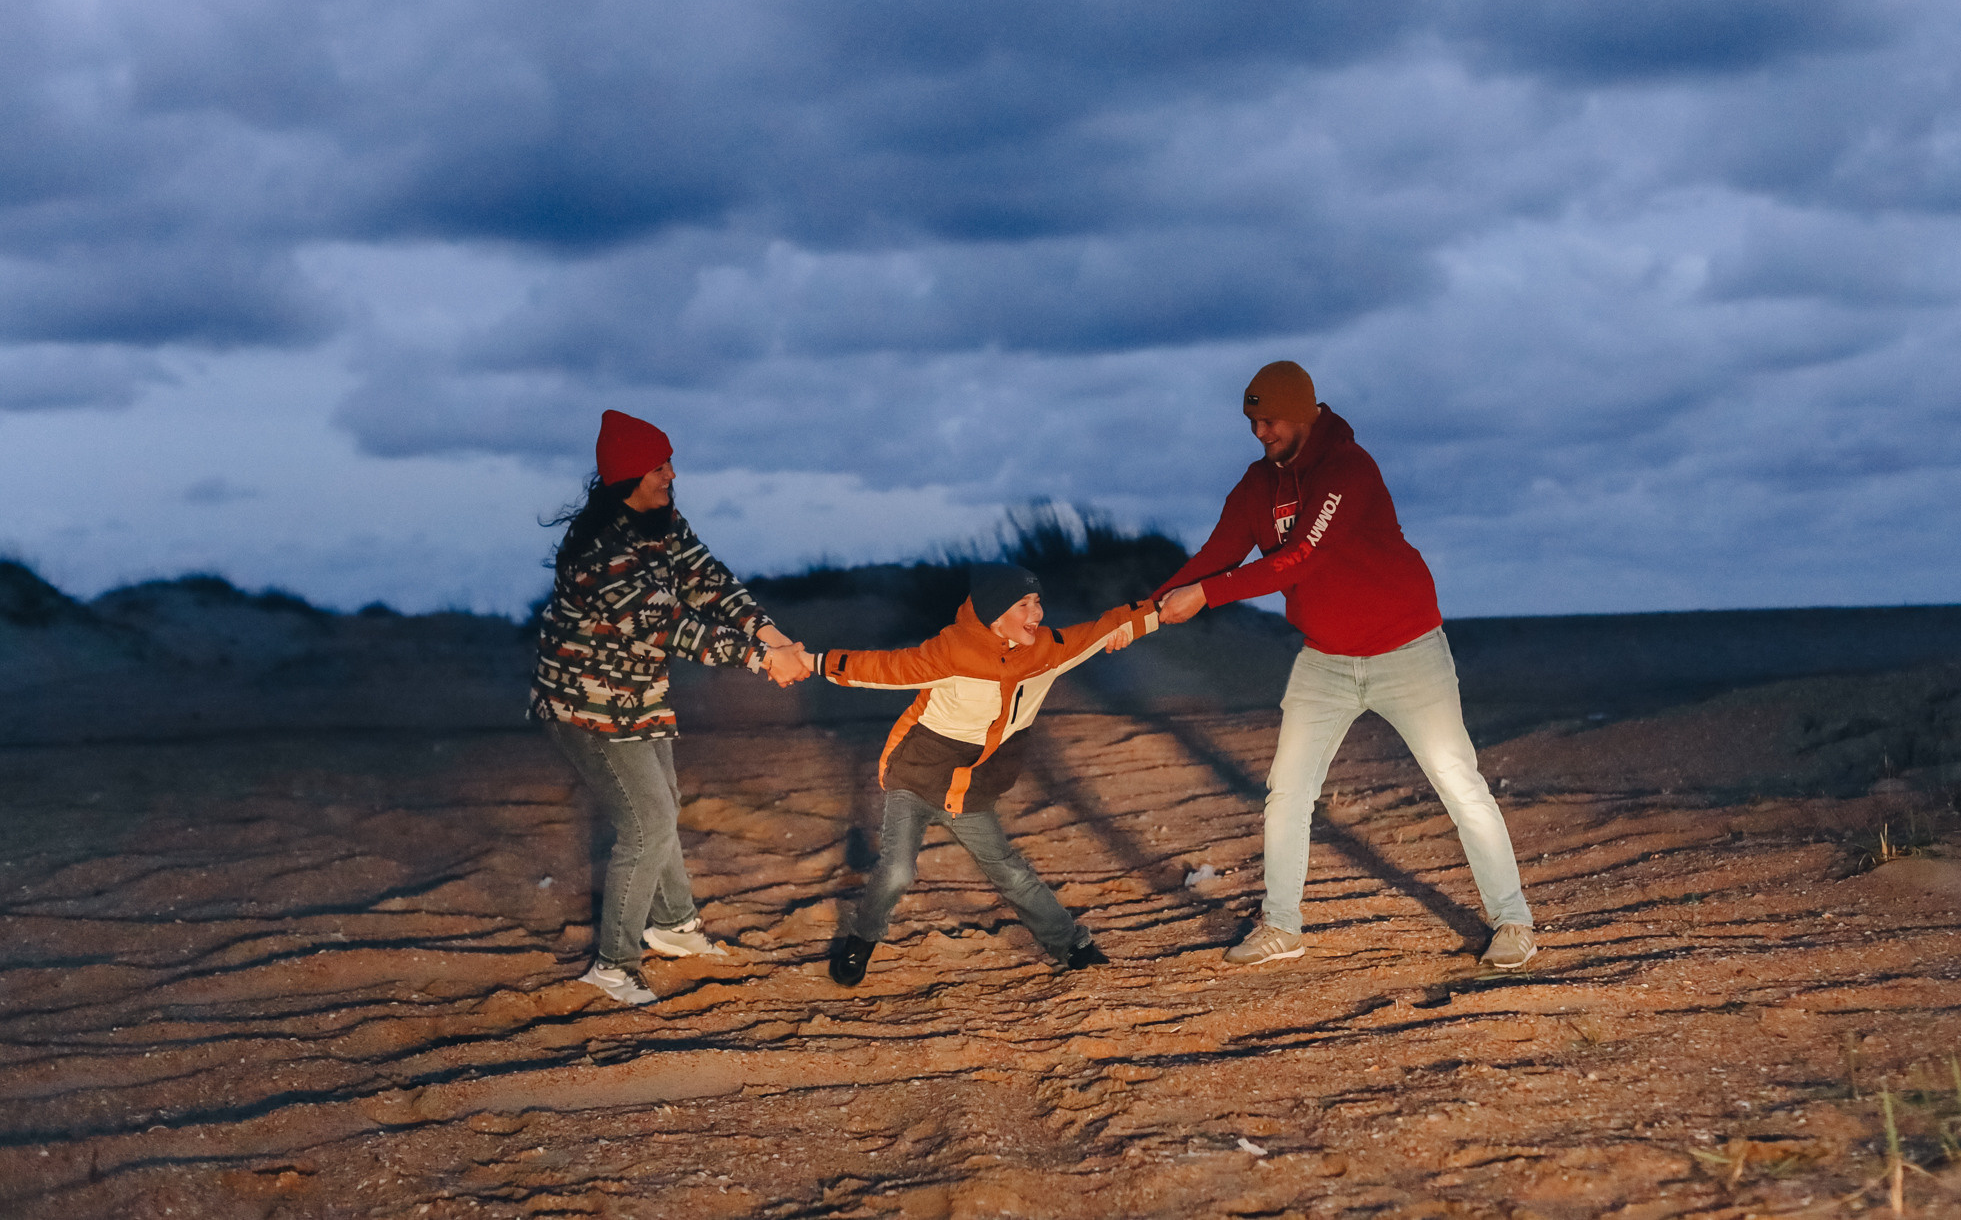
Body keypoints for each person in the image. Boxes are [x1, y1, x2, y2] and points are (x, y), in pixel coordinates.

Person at [1155, 362, 1537, 970]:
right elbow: (1218, 553)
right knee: (1287, 791)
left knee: (1459, 784)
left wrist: (1205, 596)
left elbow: (1301, 556)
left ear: (1303, 411)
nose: (1260, 432)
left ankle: (1513, 922)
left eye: (1270, 419)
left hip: (1407, 649)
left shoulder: (1348, 469)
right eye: (1252, 421)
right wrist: (1145, 609)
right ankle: (1281, 926)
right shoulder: (1258, 485)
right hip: (1326, 660)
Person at [529, 409, 816, 1006]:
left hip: (637, 697)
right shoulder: (599, 556)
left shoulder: (662, 521)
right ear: (630, 476)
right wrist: (764, 662)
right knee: (647, 822)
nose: (671, 473)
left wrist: (774, 638)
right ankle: (612, 966)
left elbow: (709, 581)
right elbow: (675, 627)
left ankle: (675, 927)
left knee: (665, 808)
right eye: (660, 466)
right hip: (586, 708)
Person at [817, 563, 1160, 987]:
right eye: (1023, 604)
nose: (1036, 613)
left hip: (969, 790)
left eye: (1037, 602)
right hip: (918, 778)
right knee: (898, 871)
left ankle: (1071, 945)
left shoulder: (1046, 650)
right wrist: (815, 663)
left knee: (1012, 873)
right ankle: (862, 938)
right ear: (995, 615)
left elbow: (1104, 627)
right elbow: (882, 668)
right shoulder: (953, 652)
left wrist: (1163, 609)